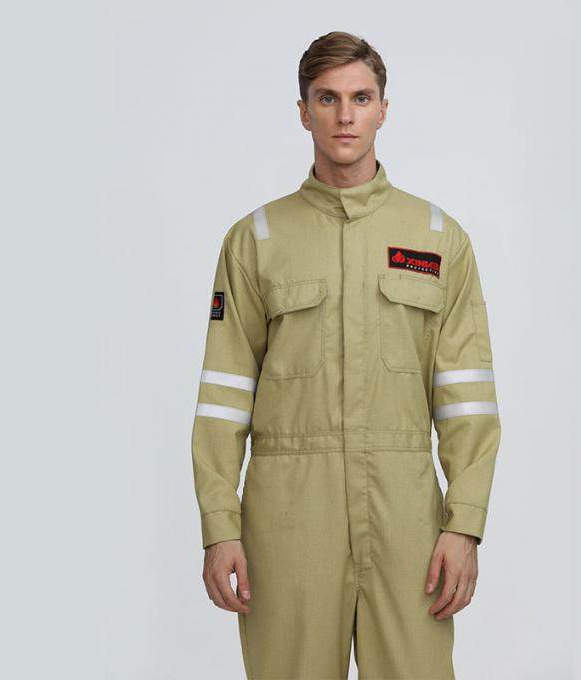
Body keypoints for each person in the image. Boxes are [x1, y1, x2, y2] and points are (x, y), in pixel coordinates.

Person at [191, 30, 501, 680]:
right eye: (327, 98)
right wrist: (220, 526)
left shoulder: (437, 238)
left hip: (407, 513)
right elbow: (222, 398)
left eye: (361, 98)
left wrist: (464, 523)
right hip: (288, 516)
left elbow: (468, 400)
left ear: (384, 108)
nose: (345, 115)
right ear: (303, 111)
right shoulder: (256, 240)